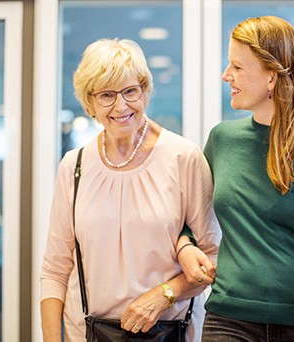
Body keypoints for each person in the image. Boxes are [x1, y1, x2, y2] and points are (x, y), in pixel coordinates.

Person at [176, 16, 294, 342]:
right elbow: (187, 220)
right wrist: (184, 247)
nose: (226, 75)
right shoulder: (222, 140)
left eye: (237, 67)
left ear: (271, 78)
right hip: (228, 319)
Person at [40, 38, 221, 341]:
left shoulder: (182, 157)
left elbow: (212, 259)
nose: (121, 106)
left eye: (130, 91)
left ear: (145, 91)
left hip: (170, 331)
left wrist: (163, 295)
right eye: (107, 95)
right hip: (84, 333)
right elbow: (55, 268)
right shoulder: (74, 165)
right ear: (90, 102)